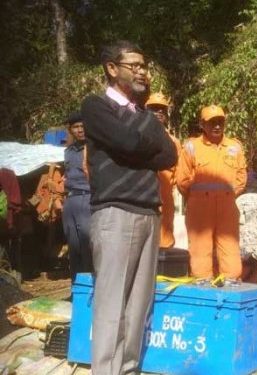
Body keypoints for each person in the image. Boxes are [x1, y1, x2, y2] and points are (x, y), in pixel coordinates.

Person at [81, 40, 177, 374]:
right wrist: (144, 138)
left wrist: (142, 136)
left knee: (139, 307)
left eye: (143, 65)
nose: (141, 71)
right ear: (111, 68)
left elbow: (169, 156)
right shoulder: (95, 106)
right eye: (133, 65)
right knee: (111, 305)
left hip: (149, 213)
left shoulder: (144, 114)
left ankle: (129, 370)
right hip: (115, 213)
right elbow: (127, 142)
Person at [176, 105, 247, 283]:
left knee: (229, 248)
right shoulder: (191, 147)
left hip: (227, 208)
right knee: (200, 249)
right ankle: (202, 285)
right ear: (202, 124)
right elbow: (182, 180)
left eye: (220, 122)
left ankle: (231, 284)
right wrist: (198, 196)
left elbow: (241, 178)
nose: (217, 126)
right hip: (200, 209)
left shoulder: (234, 147)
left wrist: (226, 195)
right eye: (212, 122)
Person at [145, 92, 181, 249]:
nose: (159, 112)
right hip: (141, 199)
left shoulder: (174, 142)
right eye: (154, 108)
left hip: (165, 199)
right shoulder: (136, 136)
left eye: (162, 110)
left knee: (164, 243)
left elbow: (180, 173)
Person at [62, 112, 93, 281]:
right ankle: (76, 288)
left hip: (87, 198)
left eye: (83, 126)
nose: (80, 130)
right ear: (71, 130)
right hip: (71, 200)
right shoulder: (68, 152)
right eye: (76, 127)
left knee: (87, 244)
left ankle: (90, 288)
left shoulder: (94, 148)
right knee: (73, 246)